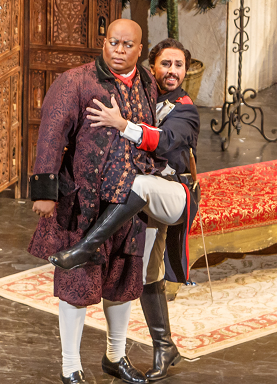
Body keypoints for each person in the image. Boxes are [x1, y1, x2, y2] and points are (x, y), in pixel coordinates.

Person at [28, 19, 163, 384]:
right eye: (112, 42)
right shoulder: (76, 81)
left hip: (130, 204)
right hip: (85, 204)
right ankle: (70, 367)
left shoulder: (148, 82)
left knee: (123, 281)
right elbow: (51, 133)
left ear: (139, 48)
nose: (118, 50)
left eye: (127, 45)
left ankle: (115, 357)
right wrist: (45, 192)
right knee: (77, 283)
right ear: (104, 42)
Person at [78, 38, 201, 381]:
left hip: (175, 195)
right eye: (166, 64)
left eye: (178, 65)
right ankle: (165, 346)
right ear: (153, 67)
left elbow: (162, 141)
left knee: (140, 185)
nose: (172, 71)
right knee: (146, 272)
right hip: (144, 200)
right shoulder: (145, 99)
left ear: (186, 71)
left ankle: (88, 245)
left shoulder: (186, 110)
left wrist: (122, 125)